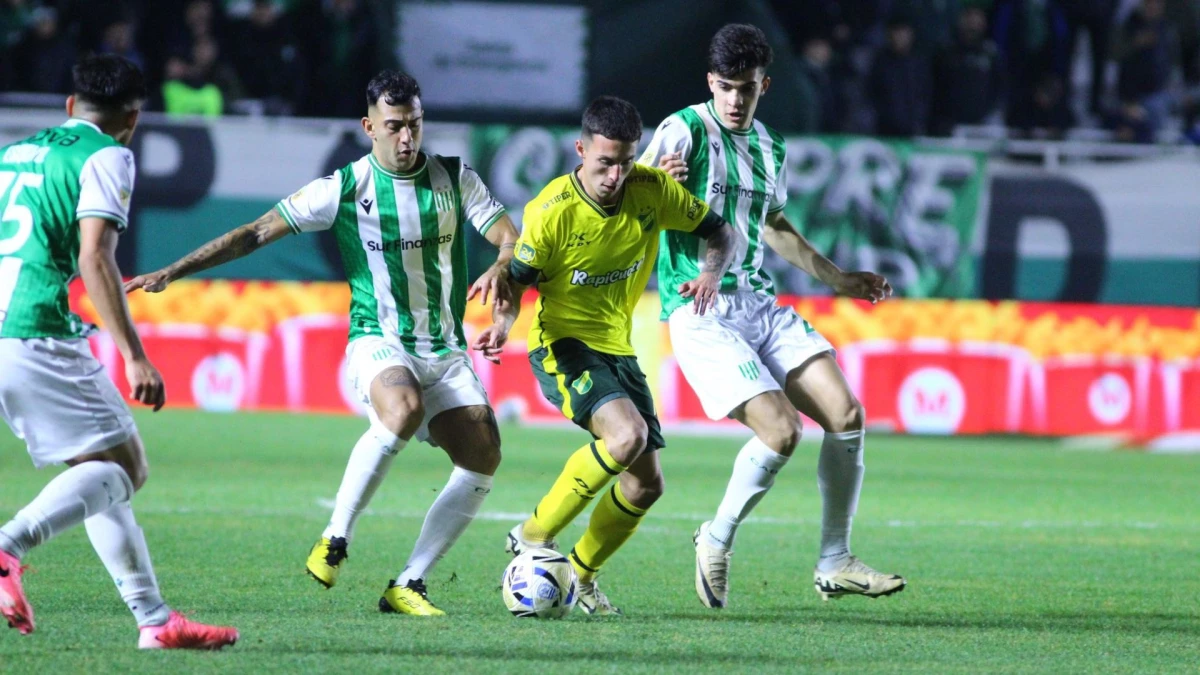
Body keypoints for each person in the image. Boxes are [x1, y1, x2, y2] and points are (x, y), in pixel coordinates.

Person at [125, 70, 518, 616]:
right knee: (402, 408)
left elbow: (508, 238)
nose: (407, 137)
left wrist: (502, 264)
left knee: (484, 454)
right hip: (379, 341)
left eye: (415, 125)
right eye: (394, 126)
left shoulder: (455, 178)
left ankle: (410, 583)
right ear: (369, 127)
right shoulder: (344, 188)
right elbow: (255, 232)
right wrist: (174, 269)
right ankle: (335, 537)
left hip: (446, 351)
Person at [639, 23, 907, 609]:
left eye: (747, 88)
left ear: (764, 85)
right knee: (782, 431)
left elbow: (774, 225)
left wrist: (839, 278)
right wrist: (653, 186)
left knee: (847, 414)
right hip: (700, 309)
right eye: (726, 87)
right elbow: (624, 201)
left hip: (758, 304)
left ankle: (835, 560)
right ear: (710, 82)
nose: (735, 100)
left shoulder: (771, 146)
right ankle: (715, 538)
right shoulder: (682, 131)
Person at [0, 55, 238, 649]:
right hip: (35, 328)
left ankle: (154, 621)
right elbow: (95, 257)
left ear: (70, 105)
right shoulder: (107, 155)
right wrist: (134, 354)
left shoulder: (15, 153)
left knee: (95, 471)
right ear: (133, 118)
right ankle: (7, 547)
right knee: (127, 468)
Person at [476, 96, 738, 615]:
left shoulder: (653, 189)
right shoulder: (550, 211)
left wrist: (711, 272)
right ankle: (532, 534)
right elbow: (518, 282)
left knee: (645, 485)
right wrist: (502, 325)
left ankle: (580, 576)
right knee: (626, 436)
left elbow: (720, 231)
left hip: (618, 348)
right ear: (580, 149)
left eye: (626, 162)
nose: (616, 176)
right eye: (605, 163)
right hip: (563, 343)